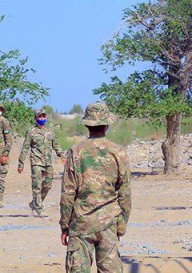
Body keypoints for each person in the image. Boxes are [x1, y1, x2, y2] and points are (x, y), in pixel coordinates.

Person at [60, 102, 131, 273]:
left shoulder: (75, 152)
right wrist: (122, 223)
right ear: (107, 125)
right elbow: (125, 193)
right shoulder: (118, 152)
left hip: (81, 223)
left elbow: (68, 193)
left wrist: (64, 225)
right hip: (108, 221)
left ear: (87, 125)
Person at [18, 109, 64, 217]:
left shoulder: (50, 130)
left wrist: (62, 155)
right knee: (36, 185)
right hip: (36, 161)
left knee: (48, 185)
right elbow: (25, 147)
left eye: (43, 116)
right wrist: (21, 163)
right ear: (36, 119)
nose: (42, 118)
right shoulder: (31, 131)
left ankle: (34, 203)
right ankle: (38, 209)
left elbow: (56, 144)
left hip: (48, 162)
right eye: (39, 117)